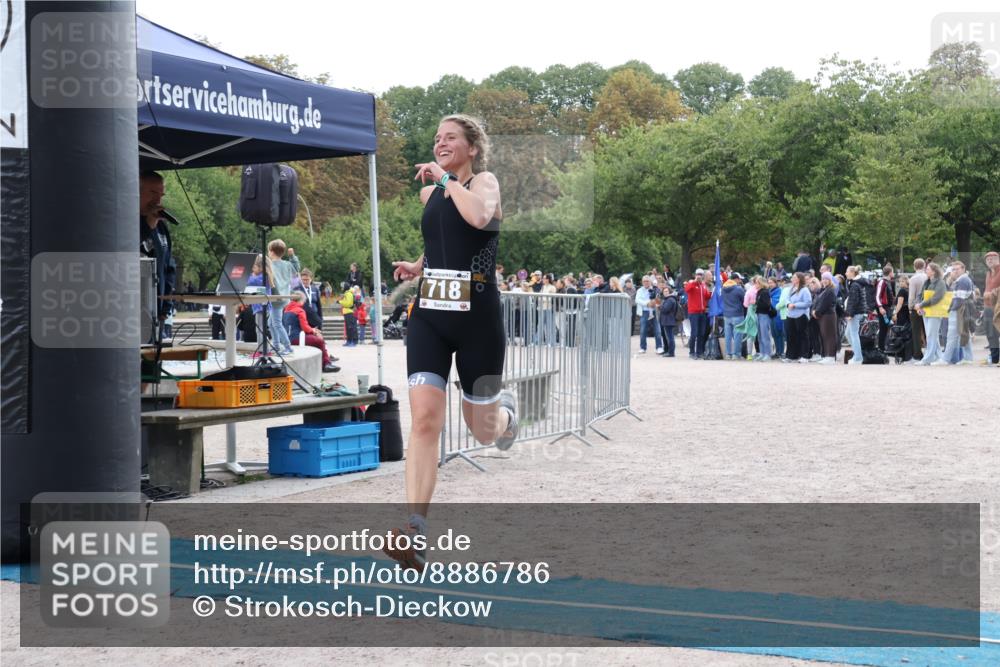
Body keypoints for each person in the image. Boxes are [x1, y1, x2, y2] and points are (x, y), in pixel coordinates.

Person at [385, 114, 517, 571]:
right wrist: (420, 266)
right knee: (424, 419)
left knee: (481, 429)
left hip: (478, 318)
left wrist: (444, 179)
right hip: (431, 317)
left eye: (450, 138)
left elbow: (477, 217)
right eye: (437, 137)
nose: (440, 143)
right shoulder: (432, 194)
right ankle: (415, 531)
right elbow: (446, 237)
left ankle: (505, 419)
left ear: (472, 147)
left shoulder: (485, 184)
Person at [139, 171, 176, 339]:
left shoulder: (162, 228)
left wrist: (166, 304)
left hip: (156, 309)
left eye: (161, 195)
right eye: (152, 193)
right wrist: (148, 225)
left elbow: (169, 267)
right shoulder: (124, 221)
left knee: (153, 359)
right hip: (132, 309)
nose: (157, 200)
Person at [283, 293, 339, 373]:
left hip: (288, 339)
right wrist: (314, 331)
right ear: (302, 300)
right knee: (319, 340)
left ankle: (323, 362)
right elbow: (305, 327)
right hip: (296, 339)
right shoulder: (300, 310)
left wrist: (312, 330)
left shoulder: (286, 310)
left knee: (314, 338)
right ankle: (326, 364)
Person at [938, 260, 975, 365]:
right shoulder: (961, 280)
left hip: (959, 310)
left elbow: (958, 300)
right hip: (962, 310)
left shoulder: (963, 281)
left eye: (957, 269)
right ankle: (968, 358)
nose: (955, 271)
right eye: (953, 269)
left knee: (952, 335)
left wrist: (950, 310)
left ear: (963, 269)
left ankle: (945, 359)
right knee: (963, 333)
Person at [914, 263, 947, 365]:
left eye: (928, 269)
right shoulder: (927, 281)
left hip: (935, 312)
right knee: (932, 335)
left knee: (931, 335)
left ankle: (927, 359)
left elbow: (937, 298)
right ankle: (940, 357)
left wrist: (921, 304)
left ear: (934, 271)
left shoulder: (941, 282)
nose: (926, 270)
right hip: (926, 311)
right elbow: (920, 295)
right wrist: (918, 305)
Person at [266, 240, 295, 355]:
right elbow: (296, 268)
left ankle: (287, 346)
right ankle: (276, 345)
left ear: (272, 252)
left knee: (277, 323)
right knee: (270, 323)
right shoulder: (287, 264)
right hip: (283, 297)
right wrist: (292, 256)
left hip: (276, 299)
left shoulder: (270, 265)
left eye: (269, 251)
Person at [784, 272, 812, 363]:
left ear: (799, 279)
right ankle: (791, 356)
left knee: (803, 335)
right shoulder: (791, 288)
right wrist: (788, 304)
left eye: (794, 277)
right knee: (790, 336)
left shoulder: (805, 290)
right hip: (790, 315)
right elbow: (787, 299)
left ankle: (804, 356)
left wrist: (795, 305)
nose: (792, 279)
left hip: (801, 315)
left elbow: (808, 303)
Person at [811, 273, 838, 364]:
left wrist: (817, 312)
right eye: (823, 279)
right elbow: (817, 301)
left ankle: (831, 356)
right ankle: (827, 355)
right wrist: (814, 310)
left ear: (830, 280)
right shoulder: (824, 290)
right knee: (824, 336)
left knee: (830, 336)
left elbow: (825, 304)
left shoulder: (830, 290)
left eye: (826, 279)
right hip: (823, 316)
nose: (824, 280)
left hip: (828, 316)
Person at [684, 269, 711, 358]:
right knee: (694, 333)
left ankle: (699, 352)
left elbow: (707, 296)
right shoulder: (691, 283)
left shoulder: (703, 285)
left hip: (702, 312)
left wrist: (713, 291)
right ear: (695, 275)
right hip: (694, 313)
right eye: (698, 274)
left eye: (701, 274)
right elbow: (687, 289)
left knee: (701, 333)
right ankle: (691, 352)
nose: (699, 276)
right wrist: (694, 281)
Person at [635, 275, 663, 354]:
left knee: (657, 330)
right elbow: (637, 300)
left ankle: (659, 347)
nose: (646, 282)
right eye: (644, 281)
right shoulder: (640, 290)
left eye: (647, 281)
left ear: (650, 282)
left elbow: (659, 299)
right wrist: (647, 303)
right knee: (643, 330)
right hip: (645, 312)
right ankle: (643, 347)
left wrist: (655, 302)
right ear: (642, 282)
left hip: (654, 311)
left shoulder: (655, 289)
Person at [721, 273, 746, 360]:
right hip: (737, 314)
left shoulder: (723, 288)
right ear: (736, 279)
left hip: (726, 314)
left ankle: (728, 354)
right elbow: (744, 301)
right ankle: (736, 354)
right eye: (739, 279)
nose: (740, 281)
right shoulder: (738, 289)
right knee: (737, 336)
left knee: (728, 336)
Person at [908, 258, 928, 362]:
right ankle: (930, 352)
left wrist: (910, 307)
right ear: (924, 266)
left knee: (916, 331)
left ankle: (917, 354)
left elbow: (912, 295)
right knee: (927, 330)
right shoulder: (927, 277)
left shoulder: (913, 279)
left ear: (914, 266)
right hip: (928, 306)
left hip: (916, 307)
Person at [983, 251, 1000, 365]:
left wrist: (993, 293)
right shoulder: (988, 273)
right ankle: (994, 358)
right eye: (988, 259)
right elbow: (986, 287)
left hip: (998, 306)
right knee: (990, 333)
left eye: (993, 258)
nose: (990, 260)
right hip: (987, 306)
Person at [753, 276, 775, 361]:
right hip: (759, 314)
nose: (755, 284)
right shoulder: (759, 292)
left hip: (764, 315)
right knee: (760, 336)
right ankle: (762, 353)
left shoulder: (765, 292)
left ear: (761, 283)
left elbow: (767, 305)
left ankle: (767, 354)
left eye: (757, 283)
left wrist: (757, 304)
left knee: (765, 335)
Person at [875, 264, 895, 351]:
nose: (893, 274)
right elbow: (877, 296)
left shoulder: (888, 282)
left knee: (886, 328)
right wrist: (880, 307)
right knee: (883, 329)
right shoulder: (882, 282)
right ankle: (881, 348)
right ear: (890, 273)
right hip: (883, 308)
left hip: (887, 308)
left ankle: (883, 347)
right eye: (893, 272)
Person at [658, 286, 678, 357]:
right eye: (664, 291)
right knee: (669, 337)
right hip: (667, 320)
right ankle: (669, 351)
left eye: (667, 291)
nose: (665, 293)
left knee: (670, 337)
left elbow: (665, 309)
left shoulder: (670, 300)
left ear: (670, 291)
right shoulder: (669, 299)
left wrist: (659, 306)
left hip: (668, 321)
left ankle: (671, 352)